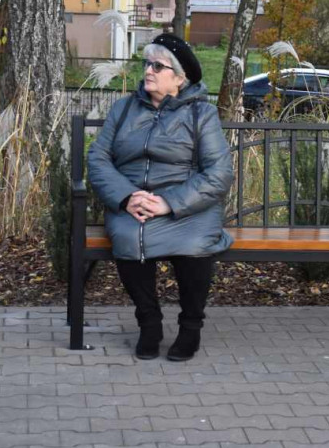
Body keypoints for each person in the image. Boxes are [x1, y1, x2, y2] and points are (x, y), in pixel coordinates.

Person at [87, 34, 234, 361]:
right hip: (135, 203)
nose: (148, 71)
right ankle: (149, 322)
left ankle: (191, 328)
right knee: (127, 236)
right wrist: (126, 198)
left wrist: (170, 202)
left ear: (179, 79)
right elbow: (98, 159)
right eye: (146, 64)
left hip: (188, 206)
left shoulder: (201, 114)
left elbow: (219, 173)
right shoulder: (124, 109)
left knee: (195, 246)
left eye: (158, 66)